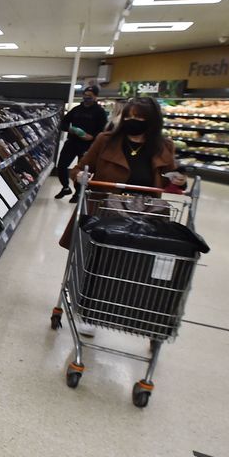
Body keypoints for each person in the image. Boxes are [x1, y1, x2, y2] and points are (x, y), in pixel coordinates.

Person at [59, 96, 178, 336]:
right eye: (130, 117)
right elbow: (79, 168)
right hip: (103, 213)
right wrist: (81, 177)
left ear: (153, 121)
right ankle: (89, 310)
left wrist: (178, 180)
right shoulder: (106, 141)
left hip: (142, 217)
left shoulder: (164, 146)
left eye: (140, 118)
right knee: (96, 263)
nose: (134, 121)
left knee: (128, 267)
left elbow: (171, 180)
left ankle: (118, 308)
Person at [53, 85, 108, 200]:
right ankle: (65, 187)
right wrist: (72, 130)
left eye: (90, 96)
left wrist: (91, 137)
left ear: (96, 97)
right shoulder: (76, 109)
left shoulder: (100, 112)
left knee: (81, 170)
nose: (86, 98)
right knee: (62, 165)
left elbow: (102, 131)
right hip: (72, 142)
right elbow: (63, 123)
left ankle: (77, 193)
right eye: (85, 95)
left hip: (88, 145)